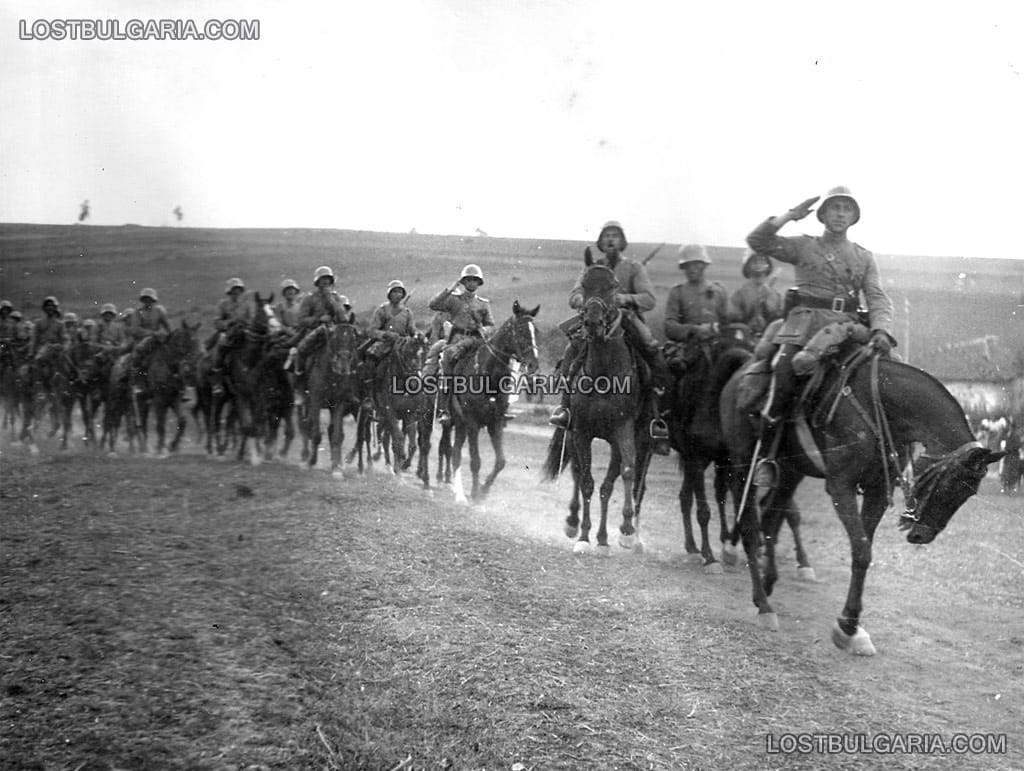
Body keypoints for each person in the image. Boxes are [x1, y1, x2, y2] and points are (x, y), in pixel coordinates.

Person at [746, 186, 895, 487]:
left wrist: (881, 330)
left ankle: (889, 459)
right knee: (783, 372)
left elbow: (876, 297)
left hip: (848, 329)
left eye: (846, 209)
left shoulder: (863, 257)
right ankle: (769, 457)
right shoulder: (803, 246)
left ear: (854, 216)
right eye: (834, 208)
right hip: (803, 326)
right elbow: (757, 241)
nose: (840, 214)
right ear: (823, 214)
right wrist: (789, 216)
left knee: (890, 378)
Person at [549, 220, 670, 452]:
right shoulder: (591, 269)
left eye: (615, 235)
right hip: (595, 320)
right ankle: (565, 409)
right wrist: (585, 301)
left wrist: (625, 299)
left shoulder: (634, 268)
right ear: (601, 242)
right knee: (570, 353)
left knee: (653, 354)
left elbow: (649, 299)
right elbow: (575, 294)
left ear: (622, 242)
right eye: (607, 236)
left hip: (625, 321)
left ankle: (656, 420)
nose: (611, 239)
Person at [428, 264, 495, 425]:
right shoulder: (453, 299)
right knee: (446, 363)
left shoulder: (483, 303)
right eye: (468, 280)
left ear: (479, 283)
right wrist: (450, 289)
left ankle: (496, 405)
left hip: (477, 341)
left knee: (494, 364)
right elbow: (433, 305)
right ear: (463, 282)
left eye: (475, 281)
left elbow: (491, 325)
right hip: (456, 341)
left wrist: (483, 331)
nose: (472, 283)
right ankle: (444, 409)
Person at [664, 243, 730, 357]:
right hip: (688, 349)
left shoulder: (719, 291)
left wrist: (715, 329)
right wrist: (694, 329)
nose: (691, 269)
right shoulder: (677, 292)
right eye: (687, 265)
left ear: (704, 265)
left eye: (696, 264)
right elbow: (669, 326)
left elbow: (728, 322)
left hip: (717, 347)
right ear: (683, 267)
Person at [362, 279, 416, 401]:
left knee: (414, 363)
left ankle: (415, 392)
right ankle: (369, 394)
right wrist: (385, 334)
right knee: (370, 360)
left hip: (402, 344)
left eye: (399, 292)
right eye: (394, 292)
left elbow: (412, 330)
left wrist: (414, 335)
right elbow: (372, 330)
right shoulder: (381, 310)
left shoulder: (407, 312)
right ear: (389, 294)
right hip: (384, 343)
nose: (397, 295)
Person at [125, 288, 172, 392]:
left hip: (157, 339)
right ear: (142, 300)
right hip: (142, 339)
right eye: (145, 299)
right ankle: (136, 381)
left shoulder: (159, 311)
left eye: (149, 299)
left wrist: (170, 335)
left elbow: (167, 325)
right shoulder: (137, 312)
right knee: (137, 354)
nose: (147, 301)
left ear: (154, 300)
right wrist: (151, 333)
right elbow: (135, 329)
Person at [728, 249, 783, 337]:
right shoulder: (739, 294)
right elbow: (732, 319)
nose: (759, 265)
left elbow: (779, 319)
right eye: (755, 262)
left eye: (762, 261)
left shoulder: (775, 295)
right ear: (748, 267)